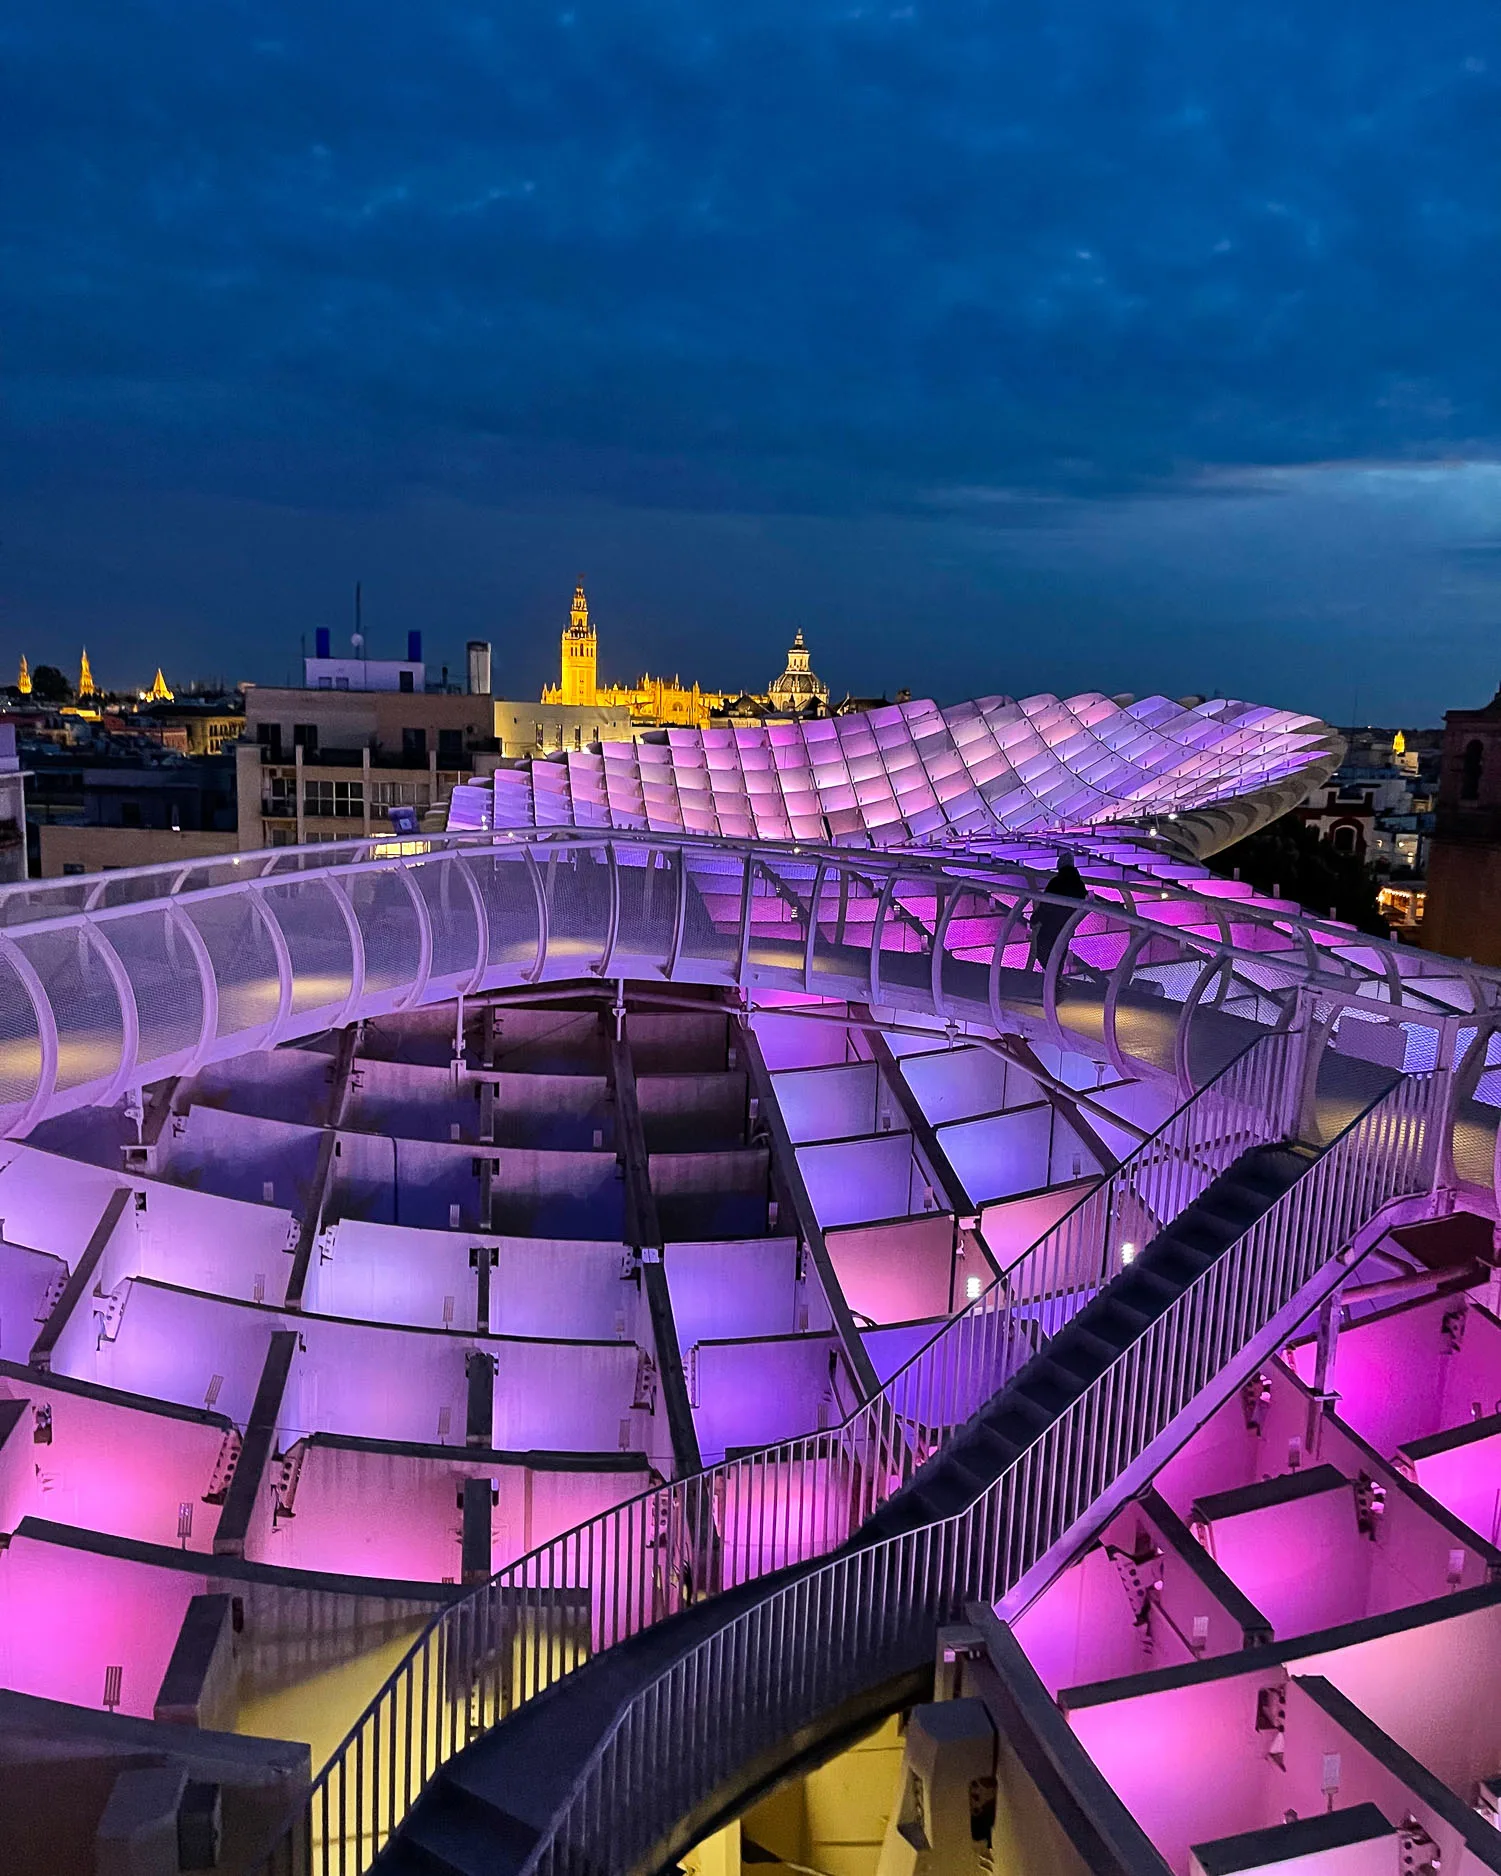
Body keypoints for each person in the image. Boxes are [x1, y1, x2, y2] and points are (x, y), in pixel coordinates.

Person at [1030, 856, 1088, 972]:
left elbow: (1046, 904)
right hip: (1066, 925)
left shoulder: (1056, 882)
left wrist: (1035, 918)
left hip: (1050, 924)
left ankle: (1051, 979)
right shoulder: (1079, 884)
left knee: (1044, 949)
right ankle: (1056, 979)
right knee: (1060, 951)